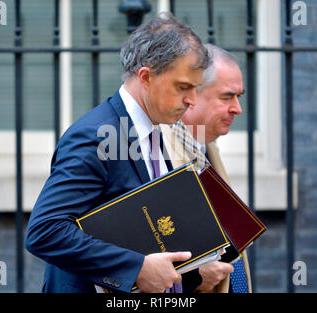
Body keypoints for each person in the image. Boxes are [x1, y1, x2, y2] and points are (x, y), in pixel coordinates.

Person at [25, 13, 222, 293]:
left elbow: (145, 235)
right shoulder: (95, 136)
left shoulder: (155, 131)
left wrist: (191, 273)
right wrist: (137, 268)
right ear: (146, 77)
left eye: (195, 88)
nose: (191, 100)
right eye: (183, 87)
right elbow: (45, 232)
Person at [162, 44, 251, 293]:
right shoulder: (157, 151)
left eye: (238, 97)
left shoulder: (206, 147)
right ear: (192, 94)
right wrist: (193, 275)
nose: (237, 108)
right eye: (227, 96)